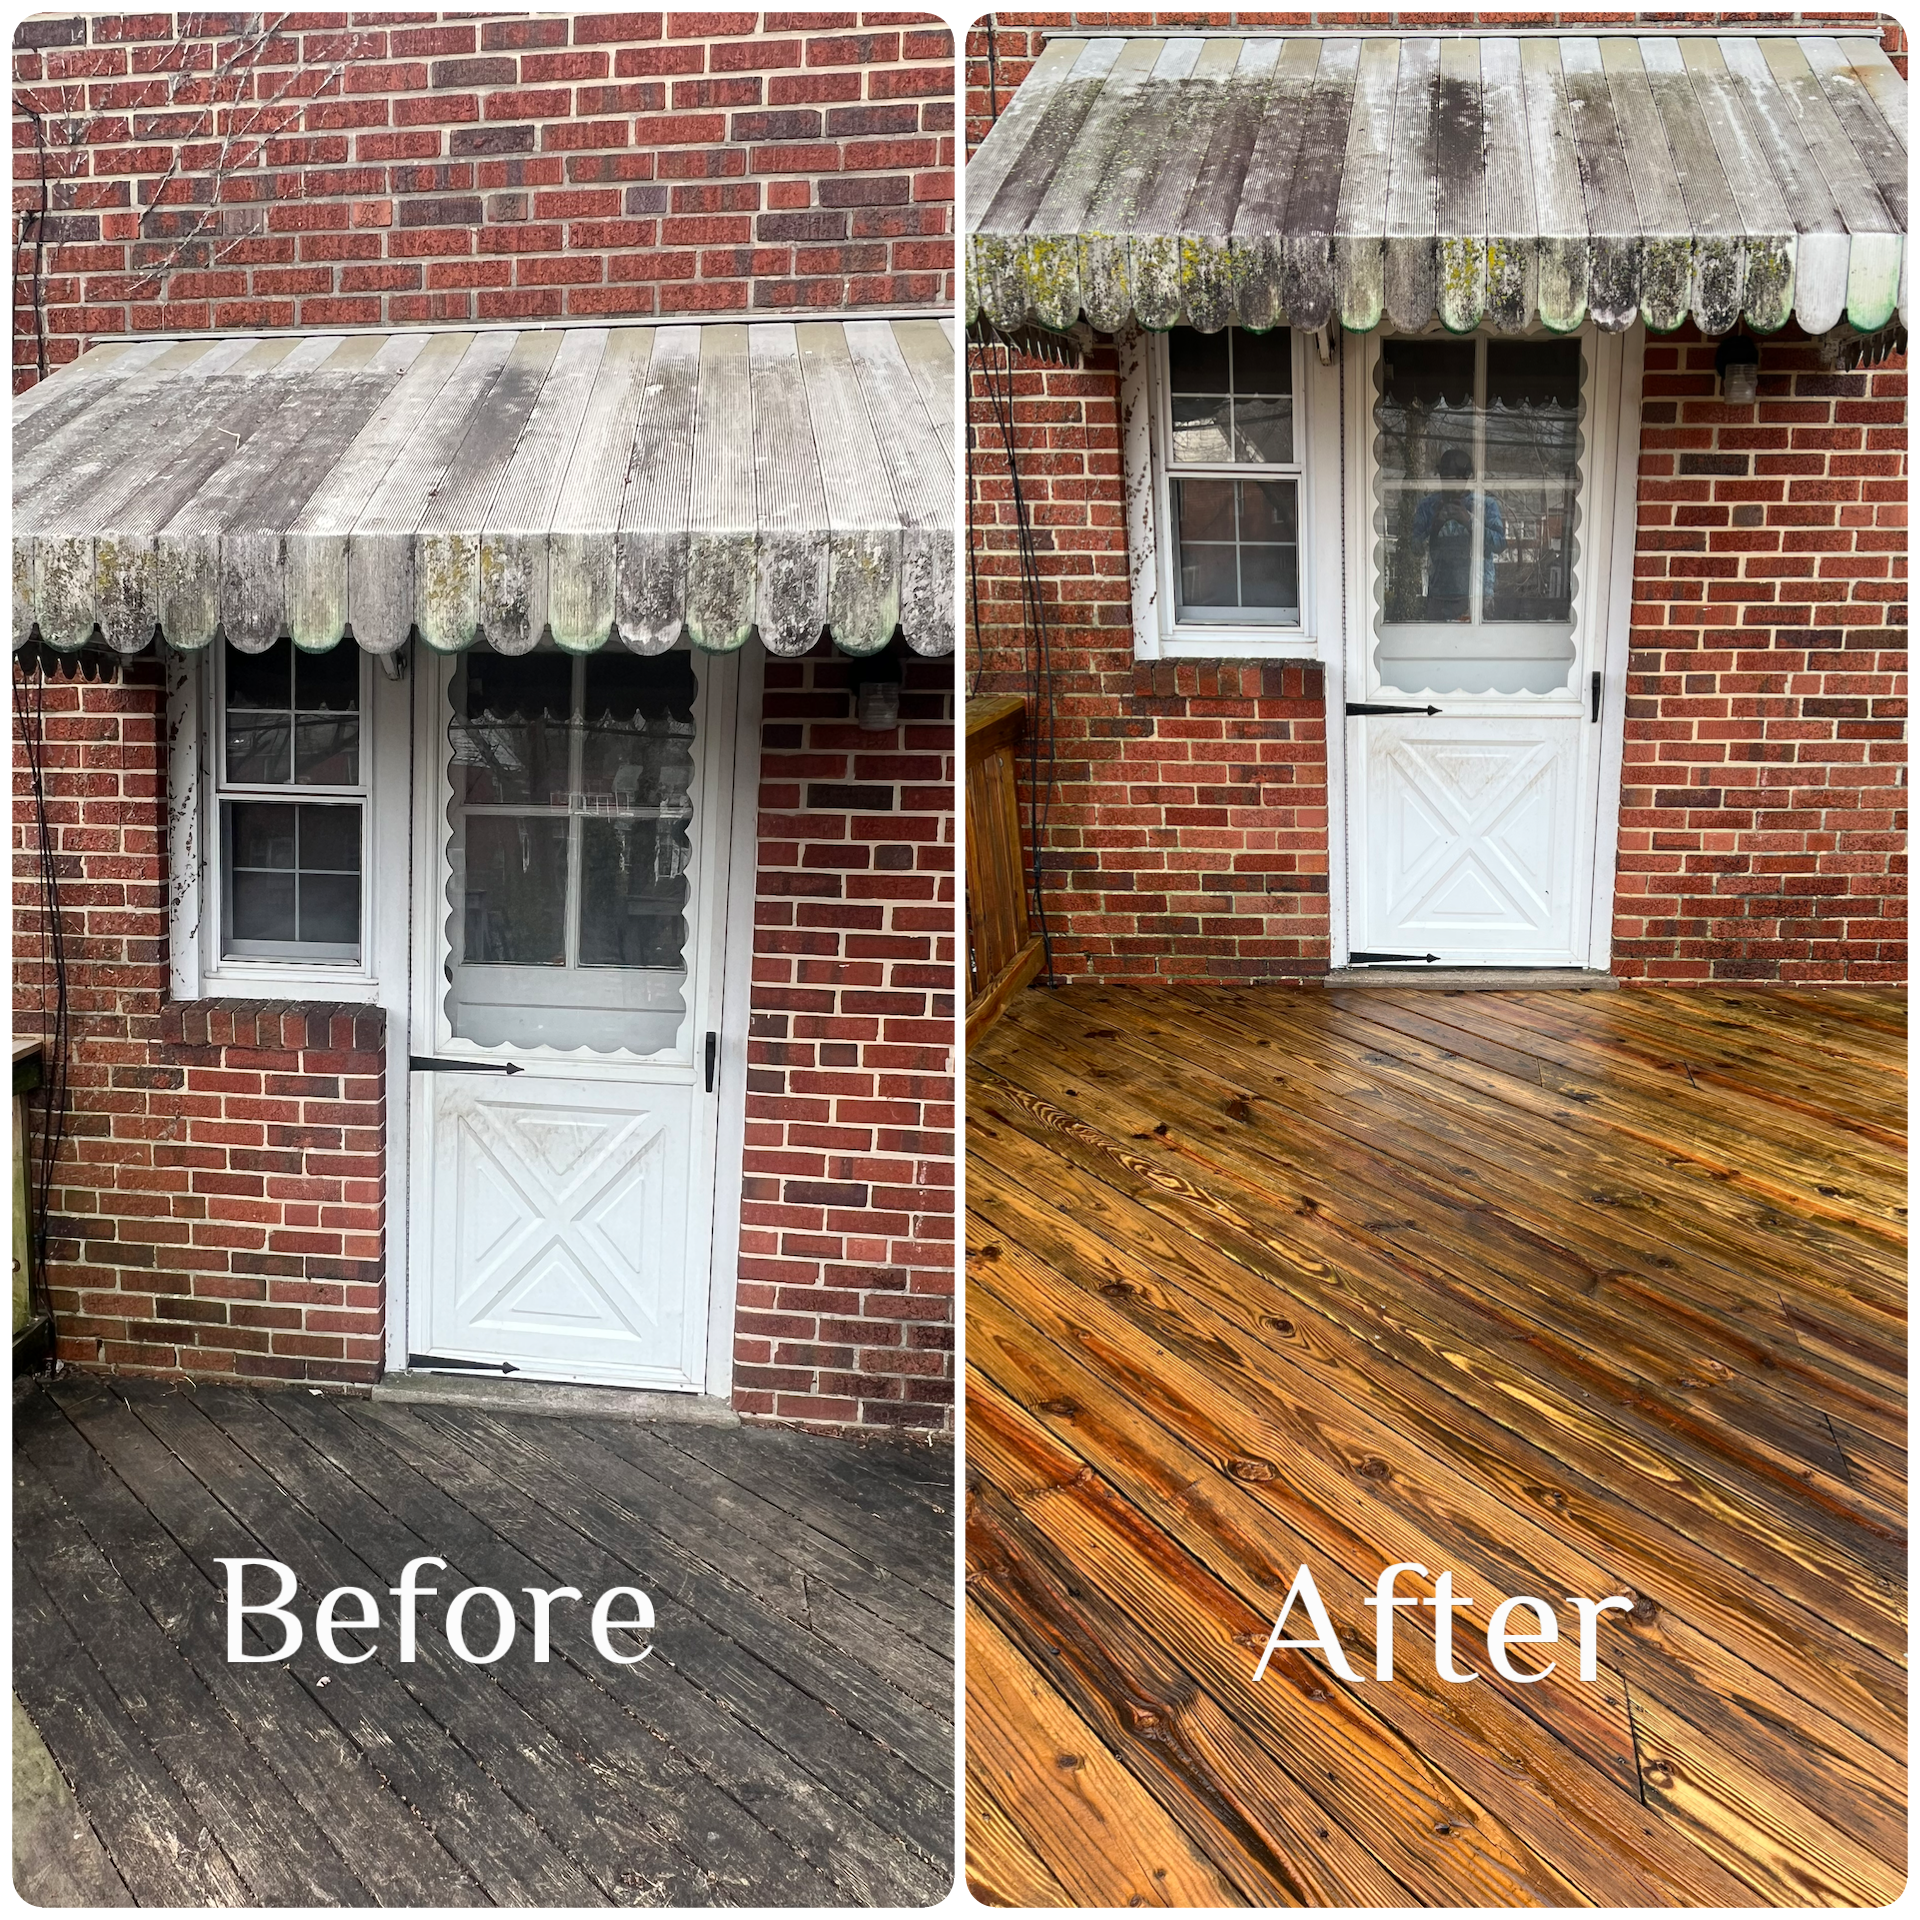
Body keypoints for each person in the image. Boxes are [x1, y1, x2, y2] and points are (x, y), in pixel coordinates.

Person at [1410, 446, 1503, 620]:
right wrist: (1435, 525)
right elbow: (1415, 549)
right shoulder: (1427, 506)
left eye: (1454, 481)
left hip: (1477, 596)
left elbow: (1499, 544)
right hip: (1439, 597)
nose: (1449, 487)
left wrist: (1469, 521)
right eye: (1444, 479)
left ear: (1466, 478)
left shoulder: (1485, 506)